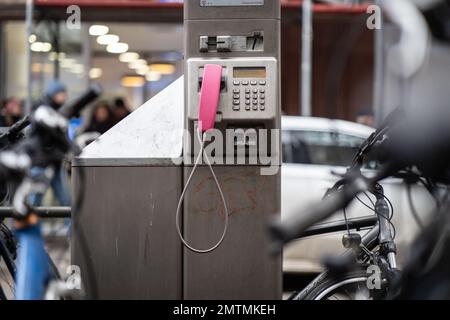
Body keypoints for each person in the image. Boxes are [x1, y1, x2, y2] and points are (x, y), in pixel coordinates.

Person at [28, 80, 71, 208]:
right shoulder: (43, 111)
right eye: (61, 93)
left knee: (66, 201)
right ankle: (27, 228)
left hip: (55, 162)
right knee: (34, 201)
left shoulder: (57, 111)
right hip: (41, 163)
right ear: (54, 94)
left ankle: (71, 228)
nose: (64, 96)